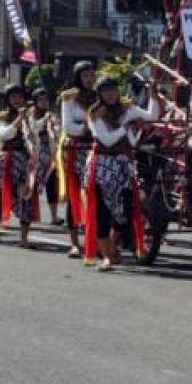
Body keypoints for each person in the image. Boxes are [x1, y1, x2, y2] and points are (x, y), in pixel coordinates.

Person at [84, 74, 159, 271]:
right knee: (102, 212)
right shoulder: (95, 113)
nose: (110, 94)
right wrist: (126, 128)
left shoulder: (127, 108)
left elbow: (152, 115)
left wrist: (152, 93)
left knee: (125, 210)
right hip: (101, 164)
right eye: (105, 90)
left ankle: (111, 246)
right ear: (100, 93)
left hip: (122, 163)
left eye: (113, 90)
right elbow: (106, 140)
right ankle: (108, 256)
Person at [0, 83, 32, 246]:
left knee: (26, 195)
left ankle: (24, 237)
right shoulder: (0, 118)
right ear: (7, 100)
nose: (17, 100)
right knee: (1, 194)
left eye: (19, 96)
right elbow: (5, 134)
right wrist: (20, 118)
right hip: (7, 159)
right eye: (13, 97)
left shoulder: (31, 116)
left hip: (25, 159)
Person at [58, 60, 96, 257]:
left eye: (92, 75)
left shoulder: (100, 96)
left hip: (96, 147)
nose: (89, 80)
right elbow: (67, 126)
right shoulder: (69, 97)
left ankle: (95, 238)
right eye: (85, 76)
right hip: (75, 148)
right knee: (74, 194)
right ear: (78, 77)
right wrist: (86, 128)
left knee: (94, 193)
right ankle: (74, 243)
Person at [25, 87, 59, 224]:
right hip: (33, 152)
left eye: (46, 100)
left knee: (52, 184)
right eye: (41, 99)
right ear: (35, 101)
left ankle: (54, 216)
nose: (44, 102)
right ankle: (28, 213)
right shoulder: (28, 115)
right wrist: (43, 122)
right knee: (31, 183)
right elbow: (31, 130)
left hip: (49, 152)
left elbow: (57, 129)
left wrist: (53, 126)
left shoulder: (51, 115)